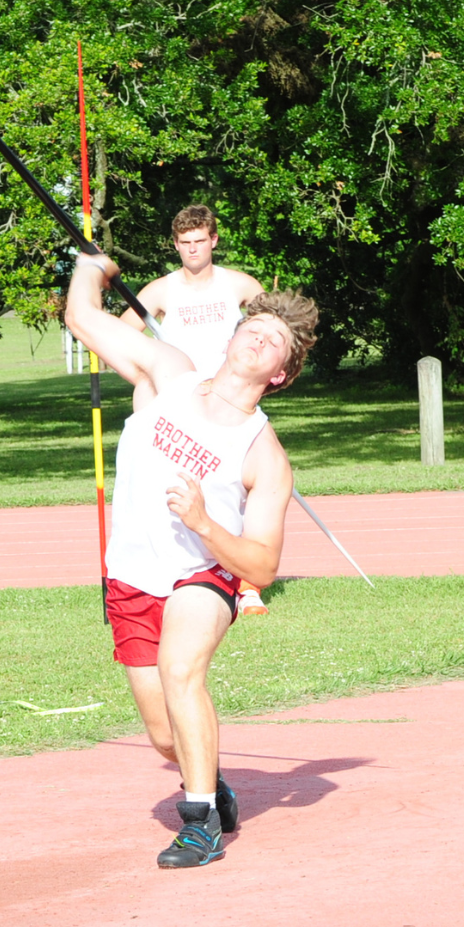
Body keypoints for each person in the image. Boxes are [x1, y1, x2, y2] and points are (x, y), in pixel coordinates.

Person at [64, 251, 318, 868]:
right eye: (254, 329)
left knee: (183, 674)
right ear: (232, 337)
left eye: (274, 342)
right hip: (130, 573)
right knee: (161, 736)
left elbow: (260, 566)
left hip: (202, 575)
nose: (259, 338)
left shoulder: (264, 455)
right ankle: (211, 777)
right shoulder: (167, 374)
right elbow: (81, 316)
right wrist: (91, 268)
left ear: (281, 374)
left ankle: (199, 822)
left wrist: (204, 521)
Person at [120, 204, 271, 616]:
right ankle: (183, 574)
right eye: (184, 244)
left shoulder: (238, 285)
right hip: (183, 406)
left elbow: (273, 329)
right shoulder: (161, 291)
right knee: (185, 491)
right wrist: (147, 382)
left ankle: (248, 586)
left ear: (214, 241)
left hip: (232, 404)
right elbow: (123, 337)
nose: (192, 250)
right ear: (175, 245)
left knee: (240, 493)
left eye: (199, 242)